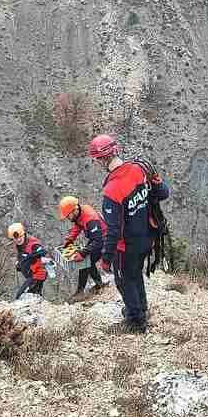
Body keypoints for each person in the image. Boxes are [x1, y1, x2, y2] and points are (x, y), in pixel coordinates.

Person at [88, 134, 170, 334]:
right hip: (147, 238)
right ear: (115, 150)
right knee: (135, 275)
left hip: (127, 246)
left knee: (124, 279)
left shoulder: (112, 190)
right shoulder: (139, 169)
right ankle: (140, 309)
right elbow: (163, 193)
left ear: (100, 159)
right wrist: (157, 180)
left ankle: (136, 321)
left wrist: (106, 260)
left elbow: (113, 231)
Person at [57, 196, 107, 300]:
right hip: (96, 239)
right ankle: (99, 284)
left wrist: (82, 253)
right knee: (89, 261)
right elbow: (78, 225)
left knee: (85, 262)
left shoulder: (90, 219)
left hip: (105, 240)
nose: (67, 218)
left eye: (68, 216)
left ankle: (80, 292)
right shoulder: (80, 212)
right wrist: (71, 238)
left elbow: (98, 242)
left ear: (74, 211)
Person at [8, 222, 48, 300]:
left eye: (20, 237)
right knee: (34, 295)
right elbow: (22, 257)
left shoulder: (33, 244)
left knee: (21, 296)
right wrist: (20, 264)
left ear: (24, 234)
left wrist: (34, 256)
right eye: (15, 238)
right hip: (31, 275)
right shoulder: (19, 246)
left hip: (37, 276)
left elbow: (43, 252)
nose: (18, 240)